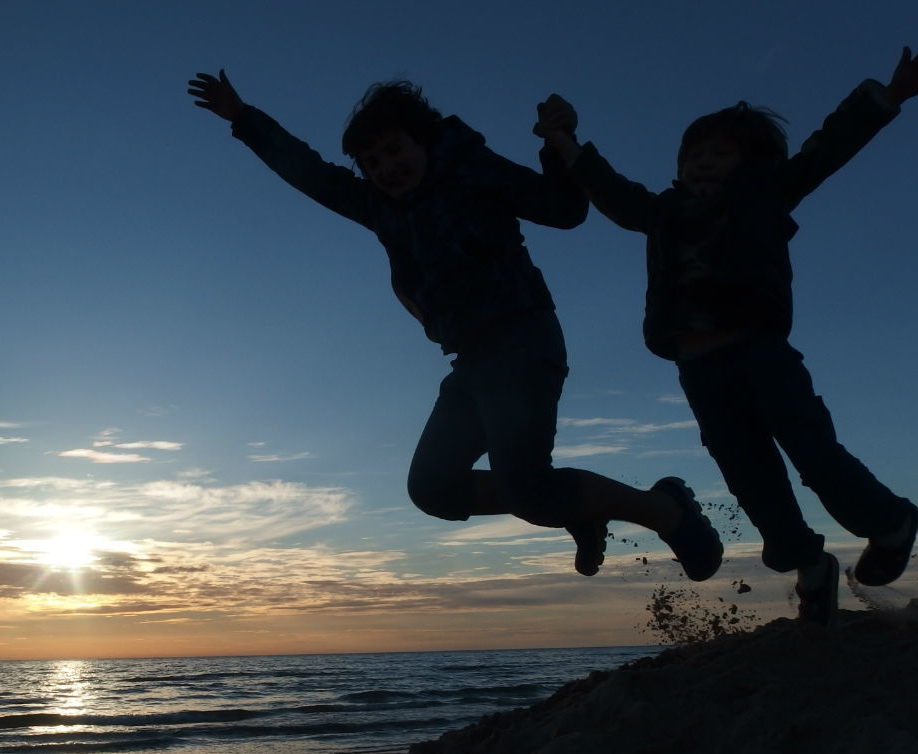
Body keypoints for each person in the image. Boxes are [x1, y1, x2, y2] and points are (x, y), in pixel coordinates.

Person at [187, 70, 722, 580]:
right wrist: (244, 117)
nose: (387, 167)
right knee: (434, 489)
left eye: (394, 150)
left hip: (523, 341)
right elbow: (309, 172)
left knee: (530, 492)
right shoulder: (378, 206)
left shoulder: (472, 170)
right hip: (470, 363)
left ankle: (664, 509)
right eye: (373, 162)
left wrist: (558, 142)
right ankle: (579, 510)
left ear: (422, 141)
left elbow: (562, 209)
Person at [532, 47, 918, 625]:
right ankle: (808, 565)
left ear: (749, 161)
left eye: (720, 154)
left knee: (814, 452)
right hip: (699, 370)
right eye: (693, 155)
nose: (703, 163)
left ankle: (889, 522)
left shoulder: (764, 194)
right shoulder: (662, 212)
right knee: (748, 472)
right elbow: (609, 191)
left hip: (761, 354)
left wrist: (887, 97)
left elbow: (826, 149)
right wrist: (563, 139)